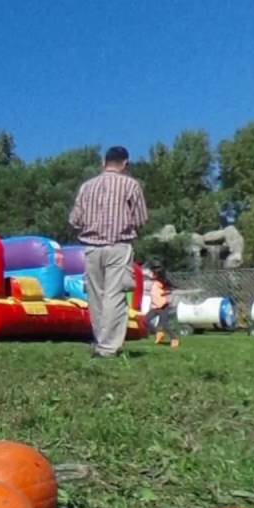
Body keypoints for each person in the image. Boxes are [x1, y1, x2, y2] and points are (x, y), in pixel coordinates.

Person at [68, 146, 148, 358]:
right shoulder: (131, 185)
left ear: (103, 163)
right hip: (118, 245)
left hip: (92, 247)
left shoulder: (87, 187)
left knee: (95, 296)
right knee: (114, 295)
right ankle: (108, 347)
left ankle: (100, 340)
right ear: (125, 164)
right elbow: (141, 219)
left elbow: (74, 220)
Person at [147, 265, 179, 349]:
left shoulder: (162, 281)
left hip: (163, 306)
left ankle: (174, 339)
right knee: (145, 320)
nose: (152, 273)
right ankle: (158, 332)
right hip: (154, 306)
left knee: (164, 324)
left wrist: (166, 292)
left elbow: (171, 288)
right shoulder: (153, 281)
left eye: (154, 272)